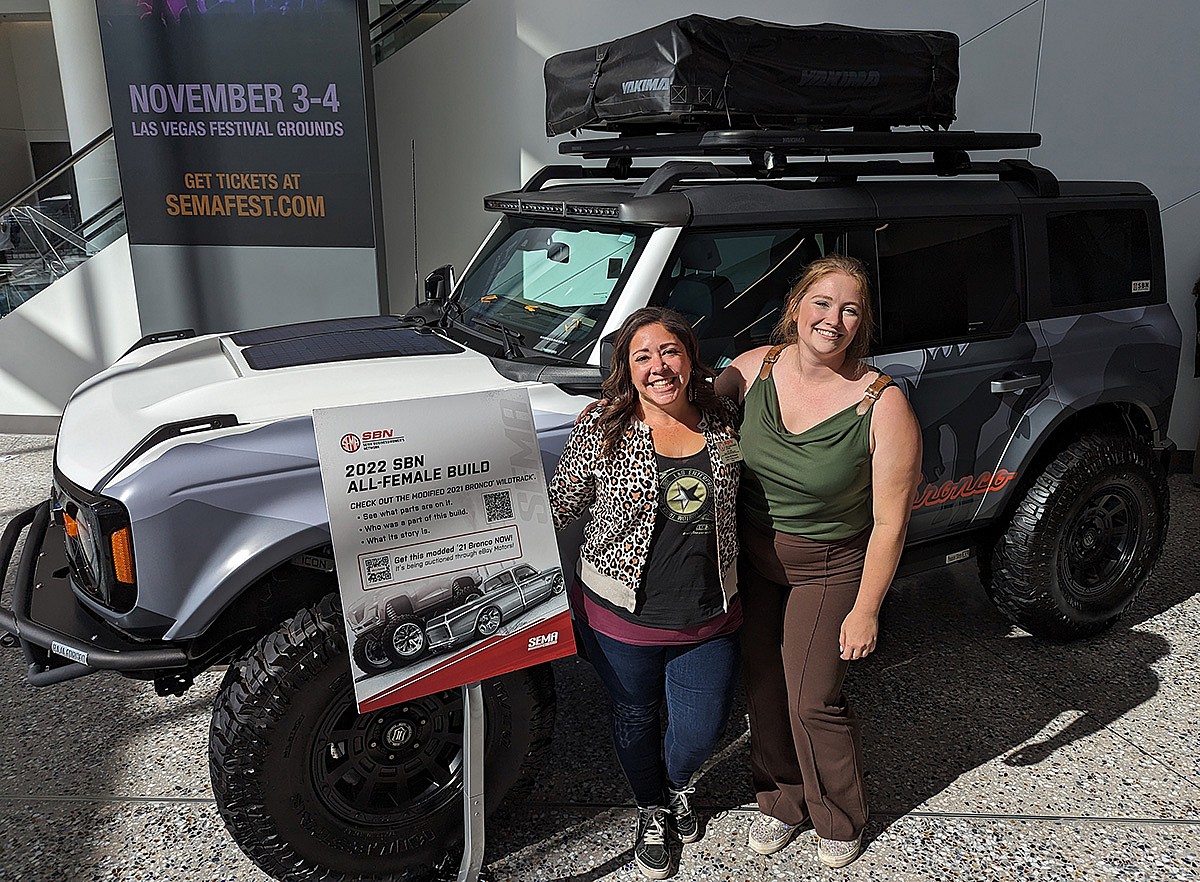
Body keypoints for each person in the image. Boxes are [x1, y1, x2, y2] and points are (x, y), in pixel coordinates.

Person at [714, 254, 922, 868]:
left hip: (827, 567)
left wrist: (866, 610)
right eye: (822, 303)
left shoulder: (882, 405)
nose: (833, 319)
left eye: (850, 310)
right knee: (763, 687)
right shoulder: (755, 369)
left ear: (862, 324)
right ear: (797, 306)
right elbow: (680, 412)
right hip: (752, 559)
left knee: (812, 699)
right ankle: (780, 800)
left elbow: (891, 523)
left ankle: (839, 815)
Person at [549, 306, 743, 880]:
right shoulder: (602, 426)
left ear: (690, 358)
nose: (659, 367)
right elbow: (562, 503)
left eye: (670, 352)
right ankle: (651, 807)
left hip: (710, 612)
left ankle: (678, 783)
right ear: (626, 369)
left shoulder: (722, 419)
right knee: (635, 716)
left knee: (702, 727)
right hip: (620, 614)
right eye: (643, 356)